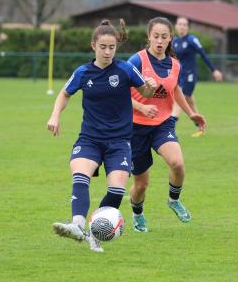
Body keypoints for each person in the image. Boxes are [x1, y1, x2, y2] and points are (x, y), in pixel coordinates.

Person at [47, 19, 157, 252]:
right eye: (103, 47)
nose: (107, 52)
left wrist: (151, 85)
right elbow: (64, 94)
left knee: (117, 189)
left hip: (119, 141)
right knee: (80, 174)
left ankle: (95, 233)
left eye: (112, 47)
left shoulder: (125, 69)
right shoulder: (83, 72)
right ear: (93, 46)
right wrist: (55, 115)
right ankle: (77, 225)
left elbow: (145, 91)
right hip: (90, 139)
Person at [128, 17, 206, 233]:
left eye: (164, 37)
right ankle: (137, 213)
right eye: (156, 36)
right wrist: (142, 108)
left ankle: (173, 200)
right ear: (148, 37)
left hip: (162, 124)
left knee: (178, 164)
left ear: (170, 38)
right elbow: (119, 93)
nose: (160, 41)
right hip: (136, 128)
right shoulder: (137, 61)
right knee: (141, 185)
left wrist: (191, 114)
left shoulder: (175, 65)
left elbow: (176, 91)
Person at [171, 16, 223, 136]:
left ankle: (170, 128)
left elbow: (203, 55)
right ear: (176, 26)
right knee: (189, 100)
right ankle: (200, 125)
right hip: (179, 75)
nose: (182, 26)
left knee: (180, 98)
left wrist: (214, 70)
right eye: (180, 24)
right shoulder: (175, 41)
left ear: (187, 27)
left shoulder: (192, 39)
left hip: (190, 75)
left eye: (184, 24)